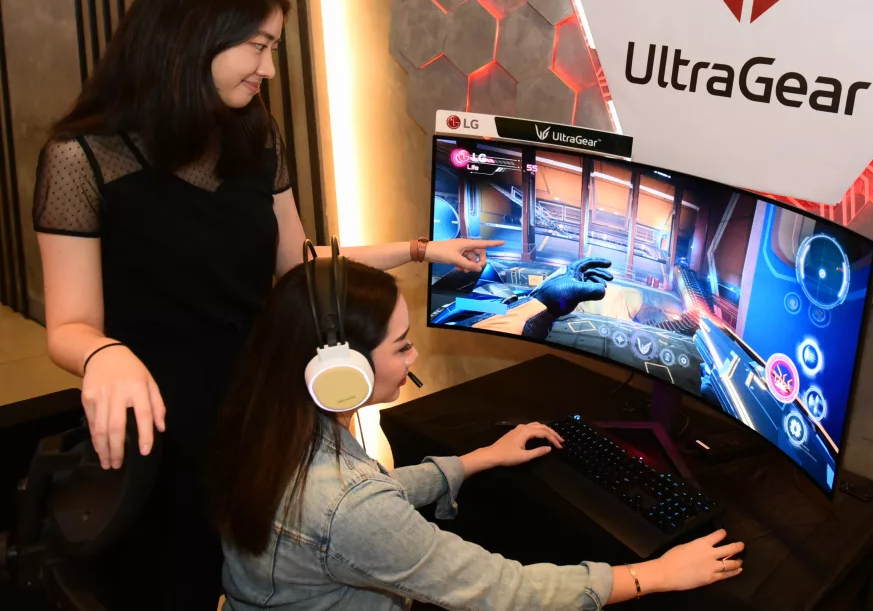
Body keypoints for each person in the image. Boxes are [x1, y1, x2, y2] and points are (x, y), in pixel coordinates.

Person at [31, 0, 501, 610]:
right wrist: (103, 354)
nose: (270, 70)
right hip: (159, 425)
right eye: (258, 46)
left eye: (274, 48)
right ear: (194, 34)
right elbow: (69, 326)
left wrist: (421, 251)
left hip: (261, 411)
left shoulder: (255, 134)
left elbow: (296, 265)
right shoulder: (82, 159)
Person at [207, 251, 745, 610]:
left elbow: (363, 499)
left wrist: (476, 460)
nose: (414, 357)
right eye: (402, 346)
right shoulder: (349, 504)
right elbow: (499, 589)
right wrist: (653, 575)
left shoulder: (268, 421)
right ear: (341, 374)